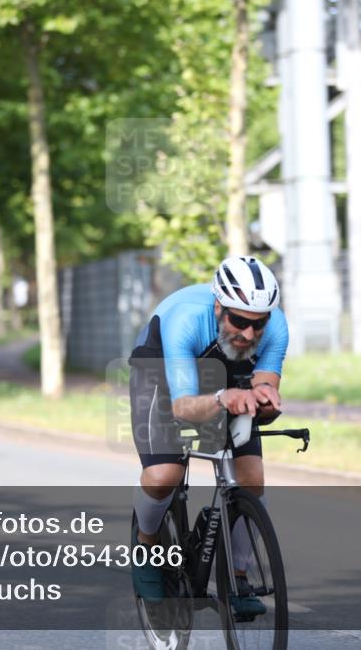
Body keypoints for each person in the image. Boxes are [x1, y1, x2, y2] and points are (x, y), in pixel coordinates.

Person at [128, 256, 288, 615]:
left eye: (258, 324)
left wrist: (267, 402)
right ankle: (146, 544)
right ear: (219, 306)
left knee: (251, 477)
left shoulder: (276, 327)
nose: (249, 333)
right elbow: (183, 407)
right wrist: (221, 398)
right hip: (160, 368)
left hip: (228, 371)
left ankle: (238, 578)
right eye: (239, 321)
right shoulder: (186, 319)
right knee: (163, 475)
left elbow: (265, 387)